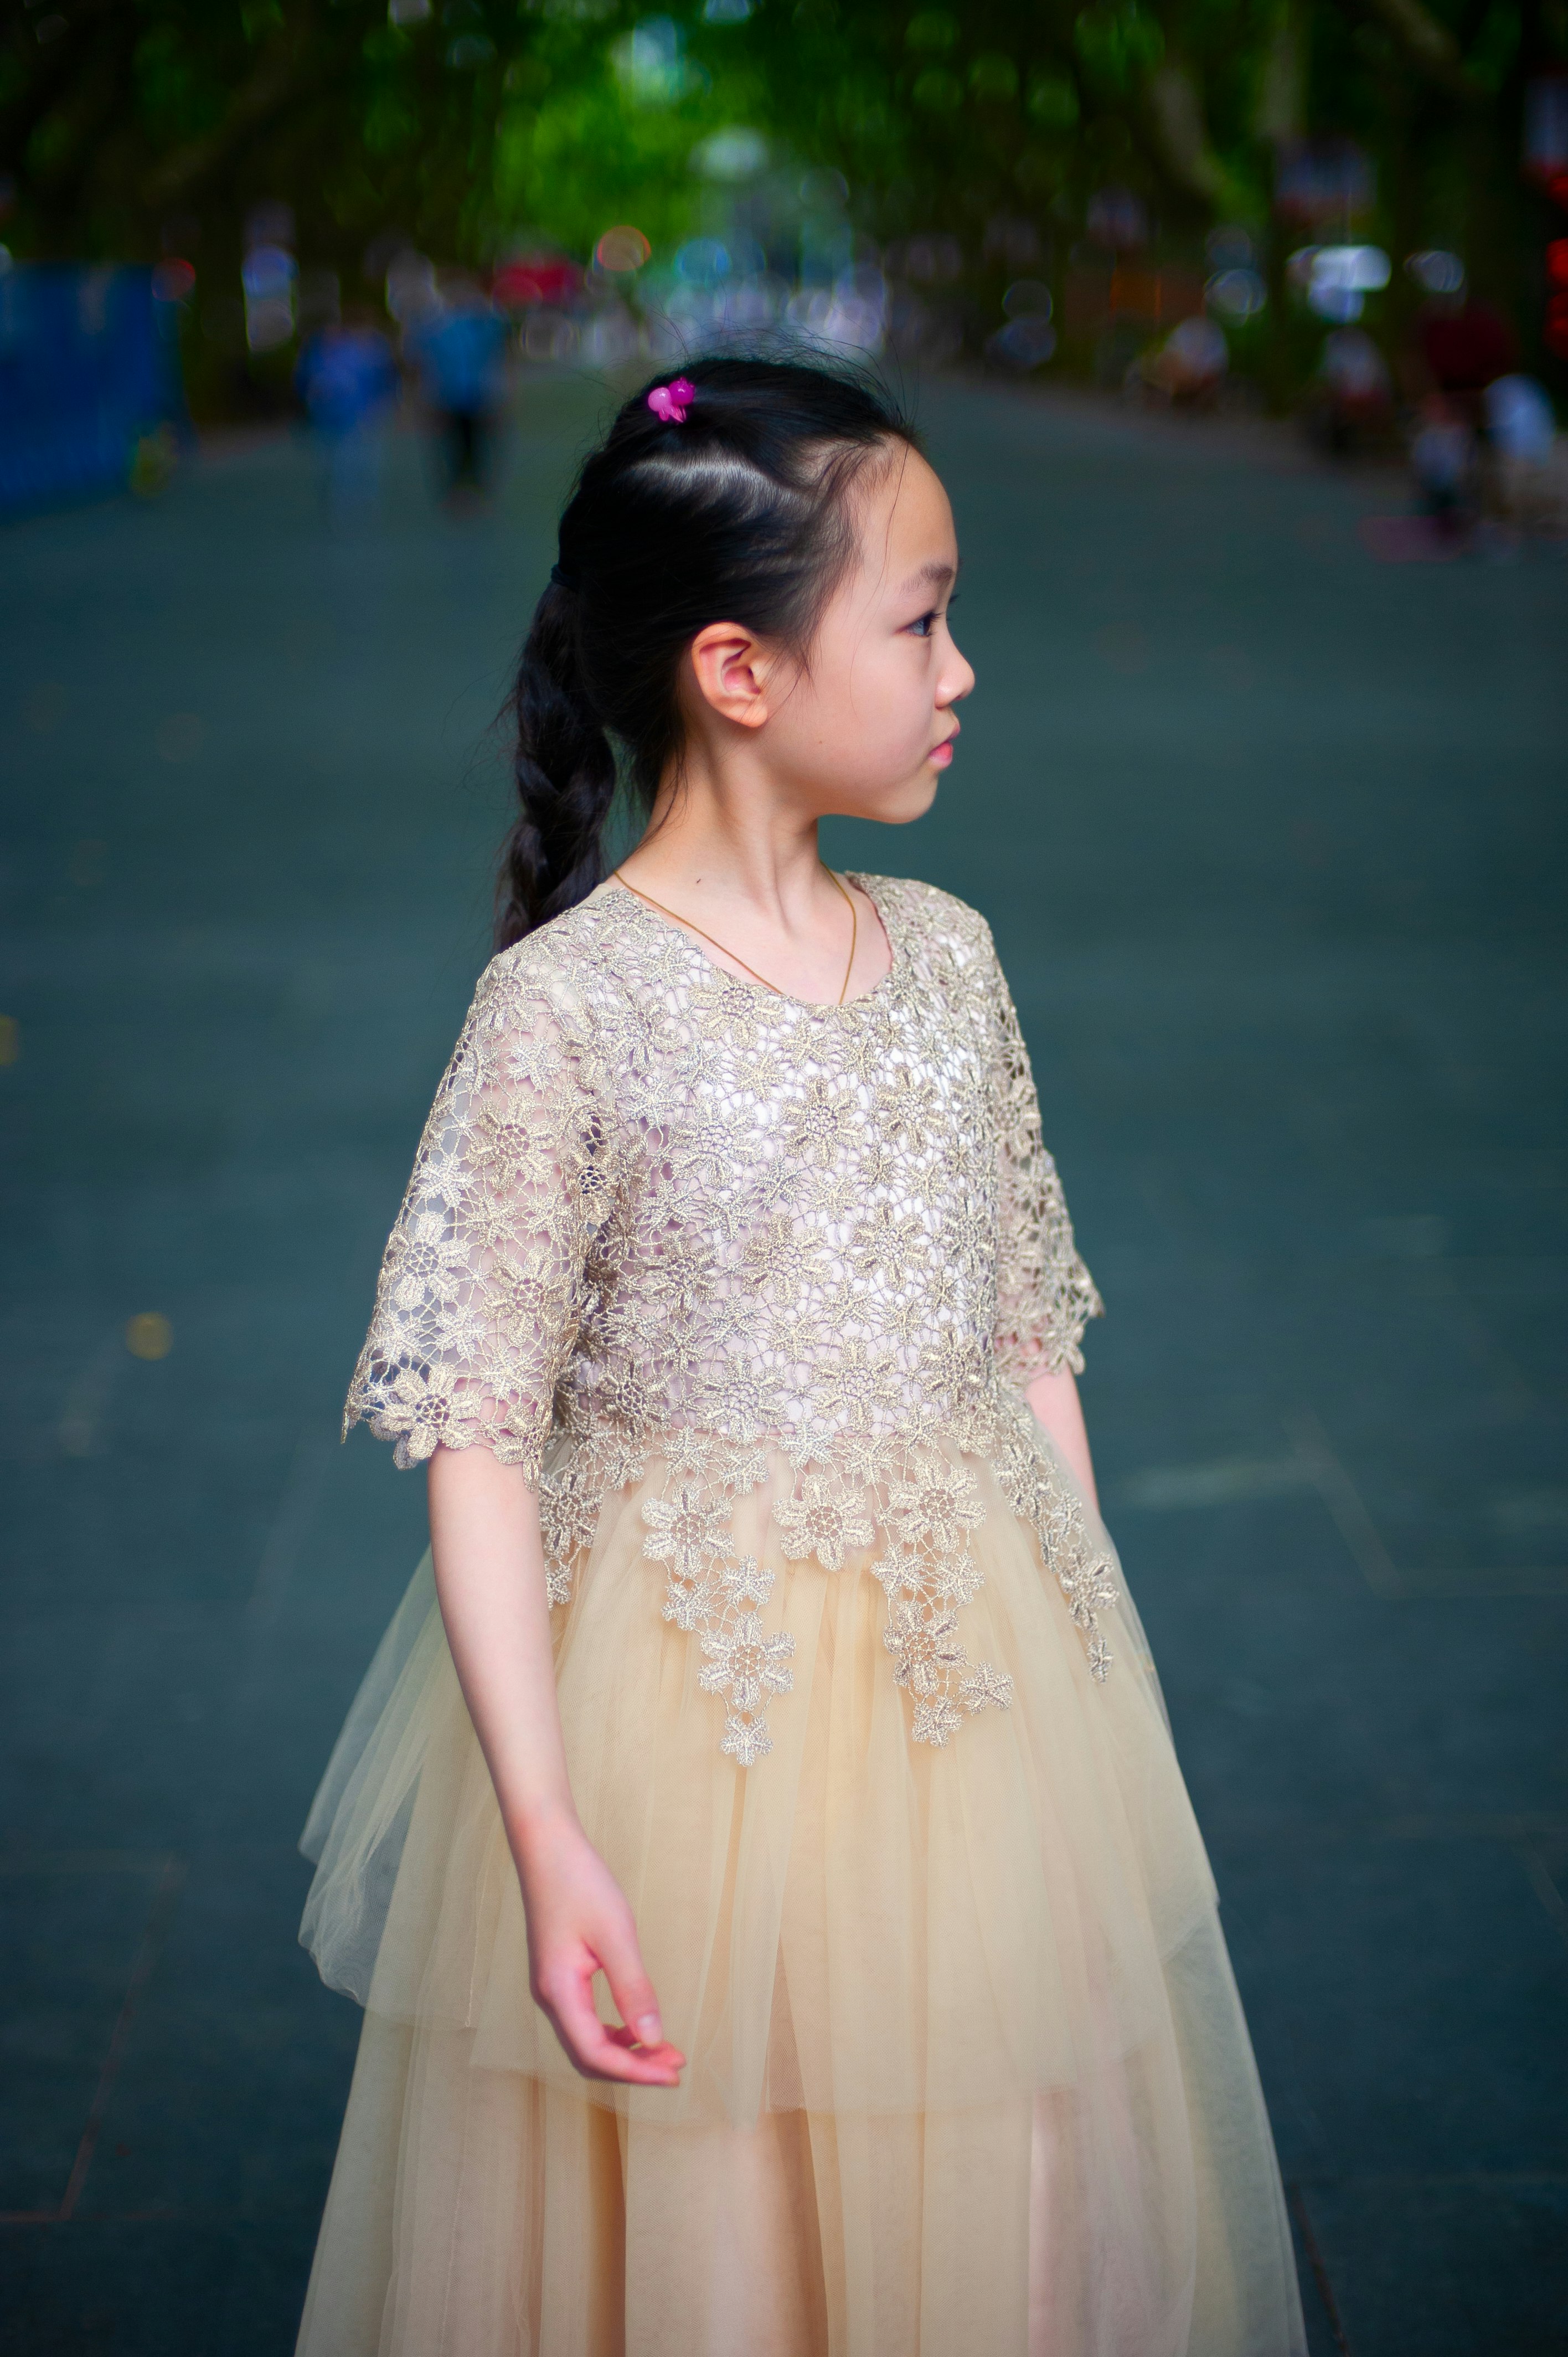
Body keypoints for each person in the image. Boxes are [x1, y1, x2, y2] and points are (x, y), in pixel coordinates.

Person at [293, 356, 1308, 2356]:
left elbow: (1025, 1328)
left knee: (1004, 2183)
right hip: (695, 1703)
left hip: (970, 1673)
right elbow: (476, 1425)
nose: (961, 668)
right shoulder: (569, 1009)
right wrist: (547, 1819)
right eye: (920, 617)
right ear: (737, 670)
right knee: (726, 2222)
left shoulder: (949, 953)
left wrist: (1086, 1664)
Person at [408, 275, 509, 503]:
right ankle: (459, 489)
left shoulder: (484, 323)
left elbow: (497, 359)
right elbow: (424, 364)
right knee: (455, 444)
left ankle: (470, 488)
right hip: (451, 396)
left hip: (474, 395)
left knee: (473, 443)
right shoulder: (436, 327)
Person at [294, 308, 397, 517]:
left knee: (353, 459)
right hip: (325, 418)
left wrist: (380, 407)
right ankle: (339, 499)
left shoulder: (361, 353)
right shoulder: (315, 355)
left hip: (356, 416)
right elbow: (303, 383)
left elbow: (380, 380)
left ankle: (352, 501)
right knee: (331, 461)